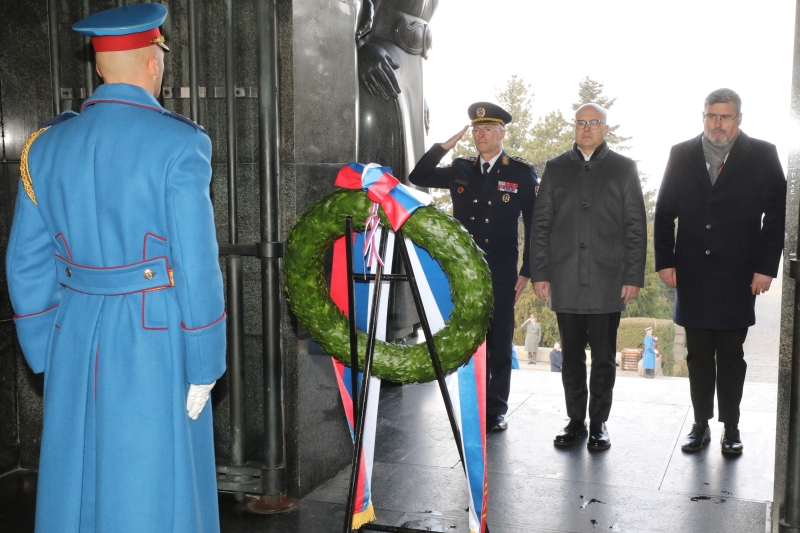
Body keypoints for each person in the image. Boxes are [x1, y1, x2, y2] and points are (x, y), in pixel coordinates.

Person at [6, 4, 227, 532]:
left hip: (75, 330)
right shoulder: (180, 143)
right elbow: (196, 267)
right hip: (155, 332)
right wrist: (204, 361)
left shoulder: (44, 146)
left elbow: (26, 262)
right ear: (155, 62)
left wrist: (45, 347)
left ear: (100, 67)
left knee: (77, 475)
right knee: (154, 479)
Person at [654, 88, 786, 455]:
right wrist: (665, 261)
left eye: (726, 117)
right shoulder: (681, 154)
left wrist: (764, 268)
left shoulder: (762, 154)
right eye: (712, 116)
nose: (718, 124)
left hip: (738, 276)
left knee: (731, 354)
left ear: (739, 119)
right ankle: (700, 425)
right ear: (704, 117)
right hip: (692, 273)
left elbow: (775, 217)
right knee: (697, 354)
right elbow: (664, 212)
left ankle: (731, 427)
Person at [408, 102, 538, 432]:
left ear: (502, 134)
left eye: (488, 130)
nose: (481, 135)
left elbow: (536, 223)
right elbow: (418, 176)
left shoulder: (519, 172)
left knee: (498, 339)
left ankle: (496, 407)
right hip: (463, 266)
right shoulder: (460, 167)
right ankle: (469, 398)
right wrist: (443, 146)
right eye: (476, 130)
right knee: (465, 333)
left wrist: (528, 269)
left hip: (502, 267)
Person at [530, 103, 647, 451]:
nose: (586, 129)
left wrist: (632, 275)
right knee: (570, 356)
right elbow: (541, 226)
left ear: (605, 129)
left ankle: (599, 423)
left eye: (593, 123)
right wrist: (540, 272)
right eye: (580, 123)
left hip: (607, 279)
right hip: (565, 276)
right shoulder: (555, 168)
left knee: (604, 356)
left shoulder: (623, 169)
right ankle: (575, 420)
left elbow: (635, 228)